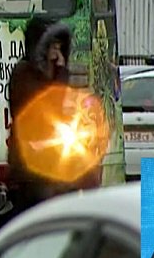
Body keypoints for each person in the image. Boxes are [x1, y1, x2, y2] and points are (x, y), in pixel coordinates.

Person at [7, 16, 95, 211]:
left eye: (59, 46)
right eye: (52, 47)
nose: (57, 53)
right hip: (31, 168)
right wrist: (60, 76)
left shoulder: (56, 74)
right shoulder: (25, 75)